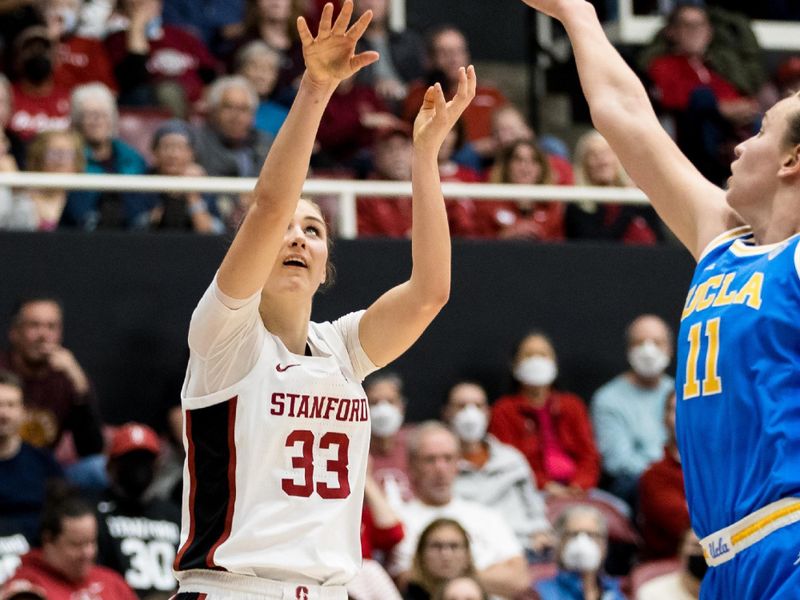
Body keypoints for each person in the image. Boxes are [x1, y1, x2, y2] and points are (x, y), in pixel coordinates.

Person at [172, 2, 476, 598]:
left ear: (323, 267)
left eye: (313, 231)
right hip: (235, 589)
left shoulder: (340, 347)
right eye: (290, 226)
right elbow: (267, 206)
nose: (296, 236)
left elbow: (429, 294)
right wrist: (316, 87)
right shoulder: (223, 336)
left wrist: (424, 154)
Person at [518, 0, 800, 597]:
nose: (741, 146)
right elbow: (625, 116)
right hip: (726, 555)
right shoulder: (721, 241)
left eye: (760, 133)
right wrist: (577, 15)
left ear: (793, 161)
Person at [389, 422, 529, 599]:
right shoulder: (397, 520)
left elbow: (518, 579)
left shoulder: (487, 515)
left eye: (448, 458)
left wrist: (448, 575)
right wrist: (487, 574)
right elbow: (409, 581)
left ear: (458, 463)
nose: (440, 469)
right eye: (430, 460)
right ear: (412, 465)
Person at [443, 380, 552, 557]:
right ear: (447, 413)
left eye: (478, 406)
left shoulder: (511, 458)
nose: (470, 414)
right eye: (461, 406)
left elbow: (535, 509)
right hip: (472, 553)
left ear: (487, 413)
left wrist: (541, 532)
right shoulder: (440, 465)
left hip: (524, 547)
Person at [488, 331, 600, 496]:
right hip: (530, 491)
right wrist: (546, 486)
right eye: (528, 355)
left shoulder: (573, 405)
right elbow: (508, 462)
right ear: (514, 364)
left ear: (554, 362)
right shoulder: (503, 411)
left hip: (579, 490)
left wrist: (579, 485)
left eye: (543, 354)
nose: (536, 361)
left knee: (619, 510)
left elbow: (589, 456)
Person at [0, 298, 104, 468]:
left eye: (51, 327)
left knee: (96, 468)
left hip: (46, 469)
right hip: (4, 463)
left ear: (60, 334)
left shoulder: (67, 377)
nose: (43, 335)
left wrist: (81, 387)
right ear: (14, 332)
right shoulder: (2, 370)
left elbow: (91, 450)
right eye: (34, 326)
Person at [591, 314, 674, 508]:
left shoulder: (681, 392)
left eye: (657, 342)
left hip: (679, 476)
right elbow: (617, 462)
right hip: (635, 484)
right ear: (629, 350)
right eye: (640, 342)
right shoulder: (608, 398)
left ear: (670, 349)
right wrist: (664, 471)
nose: (648, 350)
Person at [0, 488, 138, 600]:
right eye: (77, 545)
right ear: (48, 541)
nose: (88, 553)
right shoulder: (28, 588)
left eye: (92, 542)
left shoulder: (112, 582)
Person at [95, 423, 181, 597]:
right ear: (111, 465)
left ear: (156, 465)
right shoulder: (97, 513)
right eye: (130, 460)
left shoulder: (173, 514)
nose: (138, 467)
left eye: (145, 460)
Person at [0, 370, 63, 579]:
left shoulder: (43, 462)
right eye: (0, 405)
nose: (4, 414)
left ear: (23, 411)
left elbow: (63, 512)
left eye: (11, 405)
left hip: (37, 559)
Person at [62, 82, 148, 231]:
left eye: (102, 114)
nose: (96, 121)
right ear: (77, 121)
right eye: (88, 115)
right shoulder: (68, 158)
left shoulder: (133, 158)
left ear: (112, 119)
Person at [566, 130, 664, 243]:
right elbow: (600, 247)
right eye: (593, 154)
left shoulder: (639, 199)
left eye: (606, 153)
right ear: (584, 164)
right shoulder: (578, 205)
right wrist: (629, 204)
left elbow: (661, 242)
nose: (602, 160)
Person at [130, 119, 224, 233]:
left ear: (191, 154)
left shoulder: (203, 185)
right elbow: (132, 227)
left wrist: (193, 196)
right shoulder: (142, 185)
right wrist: (155, 216)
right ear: (155, 153)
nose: (172, 154)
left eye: (179, 147)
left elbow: (214, 231)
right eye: (166, 147)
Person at [637, 390, 690, 560]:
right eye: (676, 410)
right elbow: (685, 525)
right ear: (664, 419)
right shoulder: (654, 476)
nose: (684, 416)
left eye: (690, 409)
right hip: (670, 569)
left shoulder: (726, 468)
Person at [534, 504, 626, 600]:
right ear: (559, 542)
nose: (582, 542)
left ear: (604, 544)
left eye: (591, 535)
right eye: (573, 535)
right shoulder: (541, 592)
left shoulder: (614, 592)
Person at [1, 129, 85, 230]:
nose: (61, 161)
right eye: (55, 153)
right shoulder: (20, 195)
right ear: (39, 157)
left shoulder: (85, 197)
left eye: (68, 154)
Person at [366, 371, 414, 505]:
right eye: (374, 402)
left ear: (402, 406)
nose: (383, 410)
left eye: (390, 401)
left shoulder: (416, 444)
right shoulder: (354, 449)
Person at [404, 518, 478, 600]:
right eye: (436, 546)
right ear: (421, 554)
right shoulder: (402, 595)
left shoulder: (478, 593)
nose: (446, 554)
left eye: (454, 546)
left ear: (467, 555)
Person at [636, 529, 703, 600]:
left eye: (709, 548)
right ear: (680, 550)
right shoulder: (654, 593)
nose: (703, 552)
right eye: (697, 546)